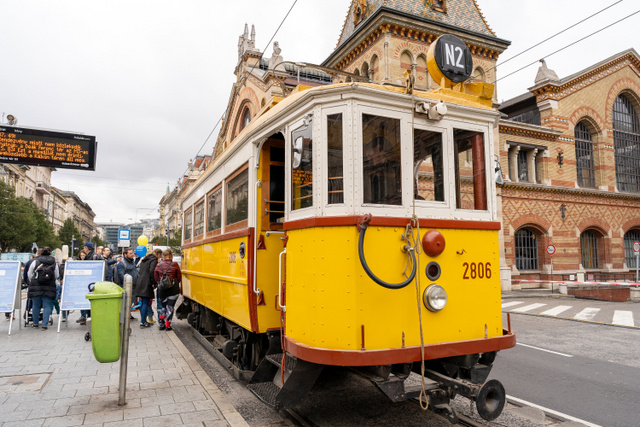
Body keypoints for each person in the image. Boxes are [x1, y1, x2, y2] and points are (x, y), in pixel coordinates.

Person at [27, 247, 60, 330]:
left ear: (41, 253)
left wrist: (34, 280)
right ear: (50, 253)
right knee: (47, 305)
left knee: (36, 305)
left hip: (36, 286)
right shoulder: (54, 262)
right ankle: (44, 325)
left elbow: (29, 273)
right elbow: (56, 275)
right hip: (49, 286)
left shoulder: (35, 261)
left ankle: (35, 323)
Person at [76, 242, 104, 325]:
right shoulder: (88, 256)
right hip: (88, 281)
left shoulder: (94, 256)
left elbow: (94, 268)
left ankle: (89, 317)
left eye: (84, 247)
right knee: (87, 299)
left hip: (92, 281)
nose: (84, 249)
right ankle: (87, 317)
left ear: (87, 248)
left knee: (90, 299)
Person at [154, 249, 182, 331]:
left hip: (162, 290)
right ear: (171, 256)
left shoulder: (159, 265)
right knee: (170, 307)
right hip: (173, 289)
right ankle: (168, 325)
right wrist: (175, 282)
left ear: (163, 256)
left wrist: (160, 282)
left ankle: (161, 323)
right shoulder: (175, 264)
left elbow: (156, 277)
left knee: (163, 306)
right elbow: (179, 277)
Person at [134, 248, 162, 328]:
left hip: (141, 282)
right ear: (158, 254)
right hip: (147, 284)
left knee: (143, 303)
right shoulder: (154, 260)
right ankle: (143, 322)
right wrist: (154, 282)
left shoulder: (145, 259)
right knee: (145, 303)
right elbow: (152, 271)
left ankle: (143, 321)